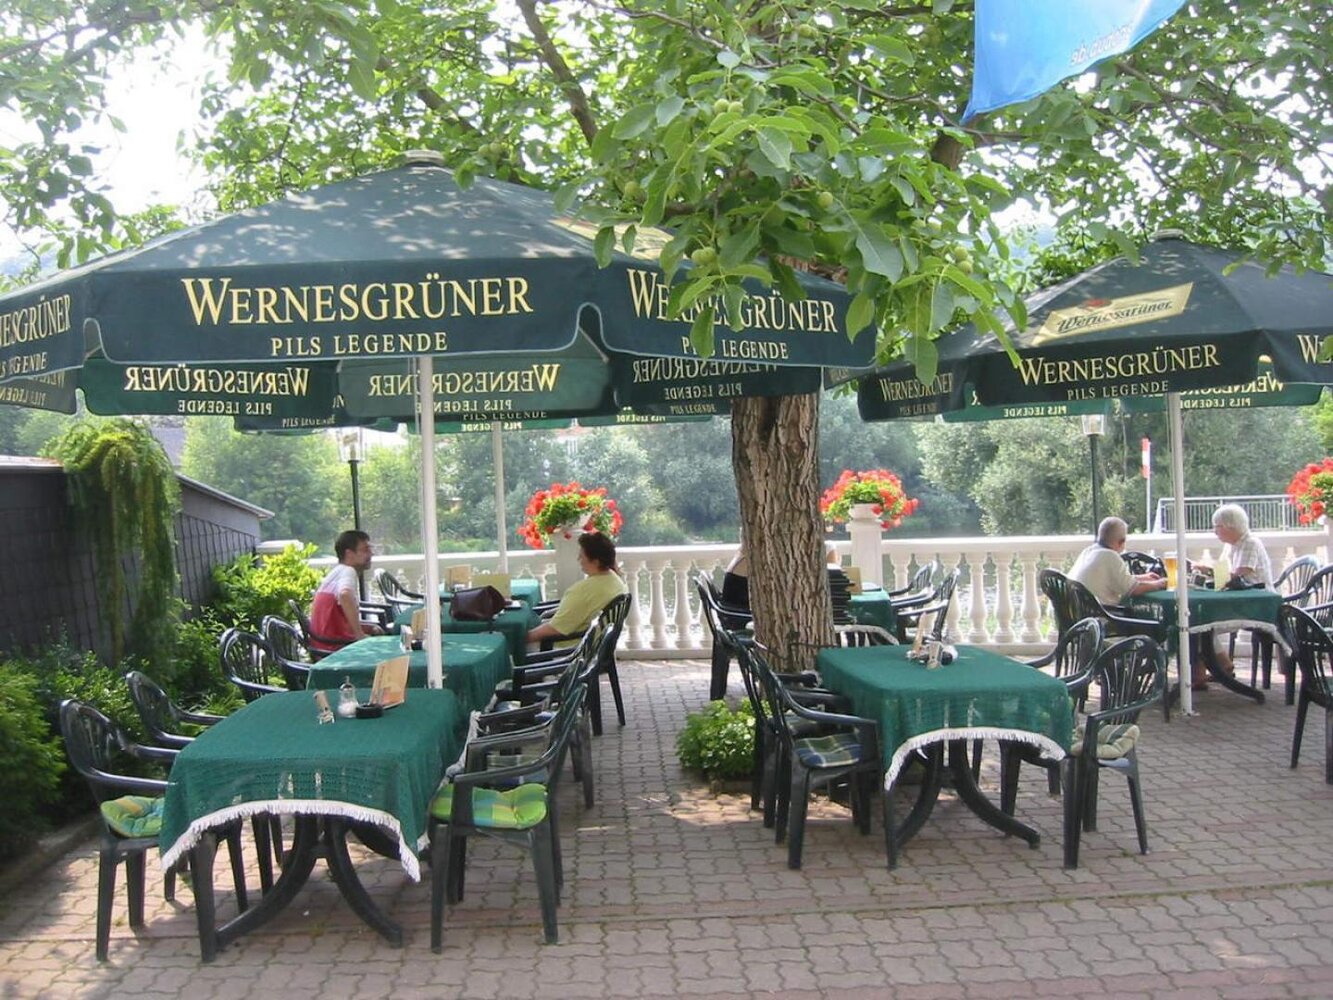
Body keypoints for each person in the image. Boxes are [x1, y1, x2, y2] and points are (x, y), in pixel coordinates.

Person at [1192, 504, 1274, 687]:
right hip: (1238, 601)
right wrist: (1207, 572)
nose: (1215, 532)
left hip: (1256, 606)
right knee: (1196, 623)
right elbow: (1224, 575)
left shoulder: (1250, 543)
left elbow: (1238, 576)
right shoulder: (1231, 546)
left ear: (1231, 526)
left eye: (1217, 526)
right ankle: (1216, 669)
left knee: (1200, 626)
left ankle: (1215, 670)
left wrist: (1209, 570)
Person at [527, 532, 628, 649]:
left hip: (572, 649)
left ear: (596, 561)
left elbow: (555, 629)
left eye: (582, 556)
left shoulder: (585, 590)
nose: (579, 559)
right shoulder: (616, 580)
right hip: (597, 646)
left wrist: (521, 637)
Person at [1068, 516, 1168, 608]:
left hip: (1078, 612)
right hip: (1100, 615)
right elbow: (1133, 589)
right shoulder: (1110, 556)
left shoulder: (1088, 551)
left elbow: (1117, 580)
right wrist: (1159, 583)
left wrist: (1142, 577)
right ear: (1121, 542)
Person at [309, 529, 384, 652]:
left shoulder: (337, 573)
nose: (371, 554)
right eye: (365, 550)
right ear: (349, 554)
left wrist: (368, 627)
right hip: (334, 650)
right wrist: (360, 636)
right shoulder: (348, 571)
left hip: (322, 647)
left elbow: (339, 621)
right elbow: (344, 595)